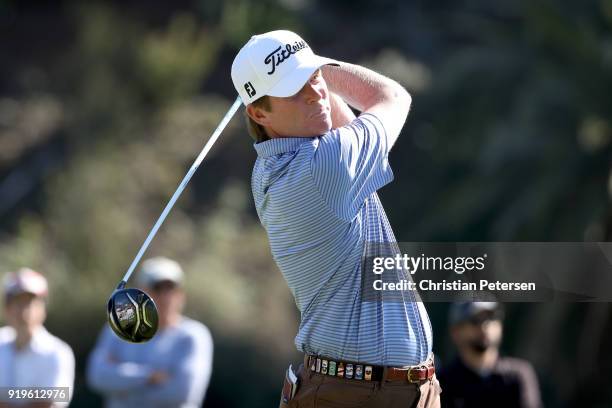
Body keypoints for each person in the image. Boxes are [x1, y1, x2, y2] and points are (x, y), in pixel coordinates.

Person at [231, 30, 441, 407]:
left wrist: (303, 68)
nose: (315, 92)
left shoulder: (276, 166)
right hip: (354, 394)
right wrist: (322, 66)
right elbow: (392, 96)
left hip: (391, 390)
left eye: (313, 79)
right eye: (294, 89)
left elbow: (333, 120)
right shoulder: (321, 167)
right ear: (259, 112)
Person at [87, 257, 213, 408]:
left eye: (171, 289)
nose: (166, 297)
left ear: (181, 295)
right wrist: (149, 377)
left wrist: (122, 387)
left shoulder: (194, 335)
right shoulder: (116, 330)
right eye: (157, 288)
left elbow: (183, 393)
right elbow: (98, 376)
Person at [438, 302, 543, 408]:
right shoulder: (443, 382)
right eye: (475, 320)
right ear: (456, 331)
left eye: (491, 318)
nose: (485, 326)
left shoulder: (518, 375)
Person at [0, 268, 75, 408]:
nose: (24, 311)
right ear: (7, 309)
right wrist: (31, 395)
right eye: (18, 303)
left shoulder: (58, 352)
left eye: (30, 302)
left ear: (43, 309)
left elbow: (56, 398)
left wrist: (6, 396)